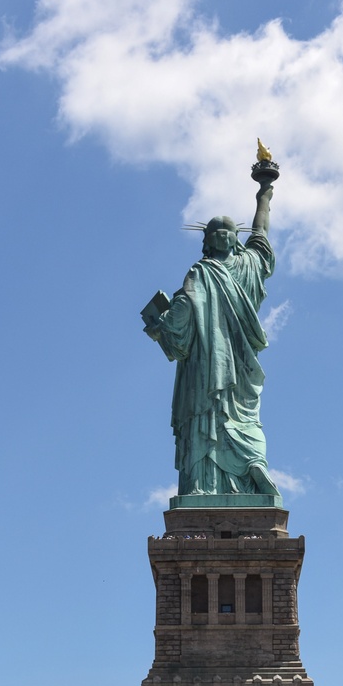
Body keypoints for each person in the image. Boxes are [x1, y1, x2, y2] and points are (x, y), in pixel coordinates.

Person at [143, 178, 280, 499]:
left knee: (211, 413)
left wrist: (157, 325)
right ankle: (250, 464)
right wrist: (264, 193)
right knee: (237, 415)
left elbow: (181, 313)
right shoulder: (242, 266)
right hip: (229, 361)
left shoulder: (203, 272)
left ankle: (208, 483)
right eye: (216, 231)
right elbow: (260, 236)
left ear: (234, 239)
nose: (221, 235)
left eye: (226, 230)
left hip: (211, 363)